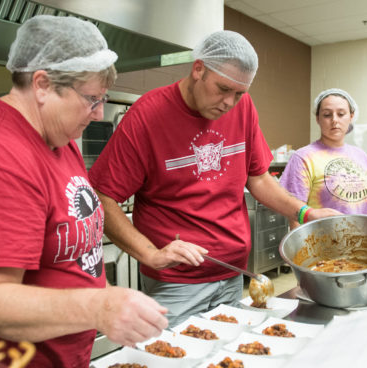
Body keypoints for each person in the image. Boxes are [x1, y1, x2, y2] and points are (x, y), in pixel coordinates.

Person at [0, 16, 168, 368]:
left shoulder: (59, 140)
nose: (98, 113)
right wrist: (100, 307)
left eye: (103, 100)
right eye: (91, 99)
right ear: (43, 84)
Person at [88, 30, 340, 326]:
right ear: (198, 70)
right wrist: (150, 254)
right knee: (175, 362)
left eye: (239, 93)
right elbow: (101, 196)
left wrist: (305, 212)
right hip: (176, 285)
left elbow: (257, 178)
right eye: (223, 89)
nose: (230, 102)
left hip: (233, 275)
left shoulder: (243, 107)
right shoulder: (147, 116)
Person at [279, 88, 367, 229]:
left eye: (341, 114)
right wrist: (299, 249)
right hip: (320, 243)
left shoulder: (360, 155)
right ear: (317, 119)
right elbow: (293, 211)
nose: (334, 120)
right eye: (327, 115)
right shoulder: (303, 157)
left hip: (361, 240)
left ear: (351, 116)